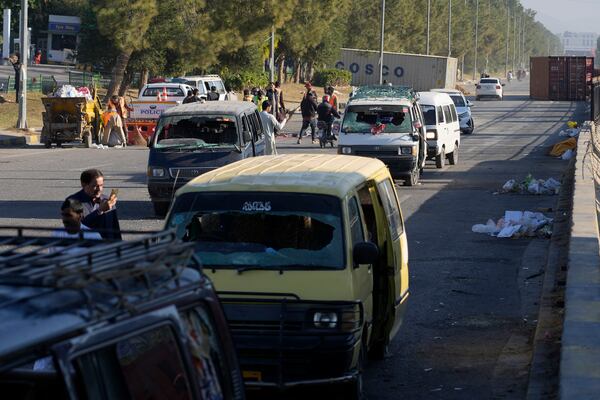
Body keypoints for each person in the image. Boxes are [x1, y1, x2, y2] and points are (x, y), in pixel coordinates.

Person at [67, 169, 122, 240]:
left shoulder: (107, 201)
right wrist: (99, 211)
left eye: (101, 185)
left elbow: (115, 228)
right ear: (84, 185)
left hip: (108, 247)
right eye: (95, 186)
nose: (100, 189)